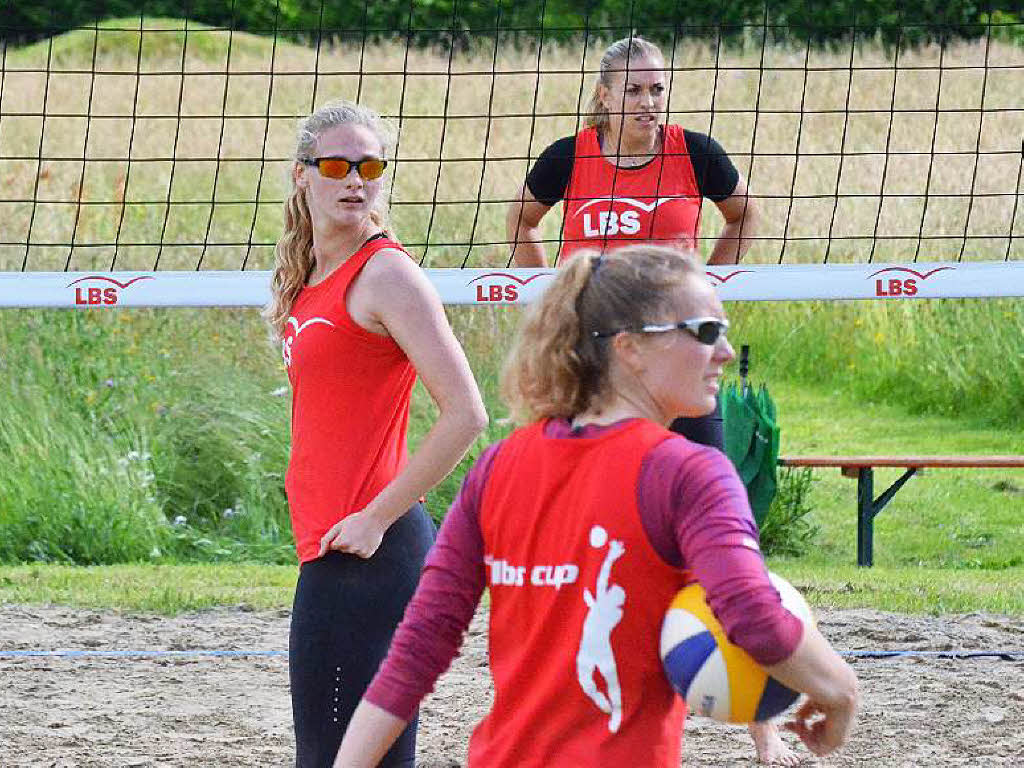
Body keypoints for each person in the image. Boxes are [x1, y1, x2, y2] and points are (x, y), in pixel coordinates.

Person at [331, 245, 859, 768]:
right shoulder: (688, 473)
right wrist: (840, 689)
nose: (723, 351)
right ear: (629, 349)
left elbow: (415, 654)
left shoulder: (496, 469)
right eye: (703, 331)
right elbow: (752, 615)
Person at [507, 35, 786, 759]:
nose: (648, 102)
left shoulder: (695, 153)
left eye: (657, 89)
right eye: (634, 91)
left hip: (672, 365)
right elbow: (520, 221)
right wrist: (551, 298)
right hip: (594, 368)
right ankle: (573, 697)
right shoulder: (570, 157)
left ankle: (763, 724)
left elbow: (744, 216)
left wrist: (706, 299)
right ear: (604, 96)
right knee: (577, 529)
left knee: (724, 528)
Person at [263, 100, 488, 768]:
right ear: (303, 176)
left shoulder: (386, 273)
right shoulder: (310, 276)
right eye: (336, 165)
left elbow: (466, 413)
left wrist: (374, 516)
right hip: (331, 540)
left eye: (369, 166)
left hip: (369, 550)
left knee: (338, 759)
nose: (354, 180)